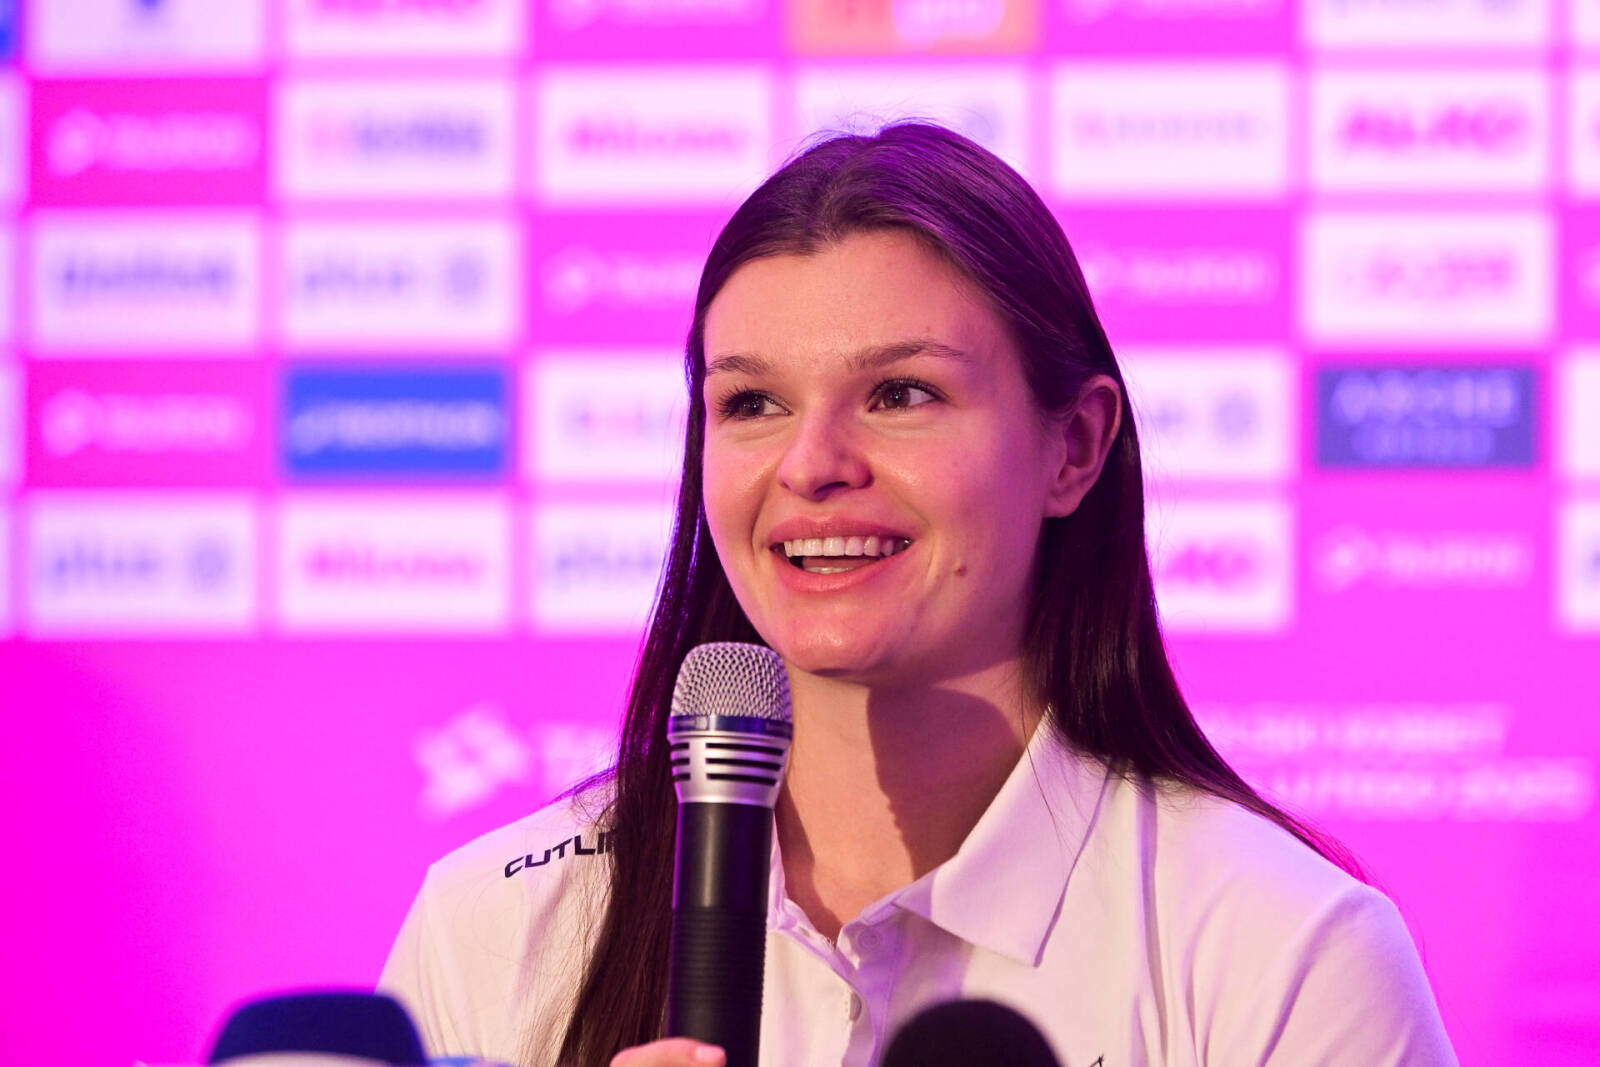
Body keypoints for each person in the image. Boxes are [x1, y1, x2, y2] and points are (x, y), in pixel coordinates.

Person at [380, 123, 1458, 1067]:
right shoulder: (494, 924)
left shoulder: (1282, 945)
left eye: (901, 393)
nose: (812, 463)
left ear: (1075, 445)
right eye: (751, 402)